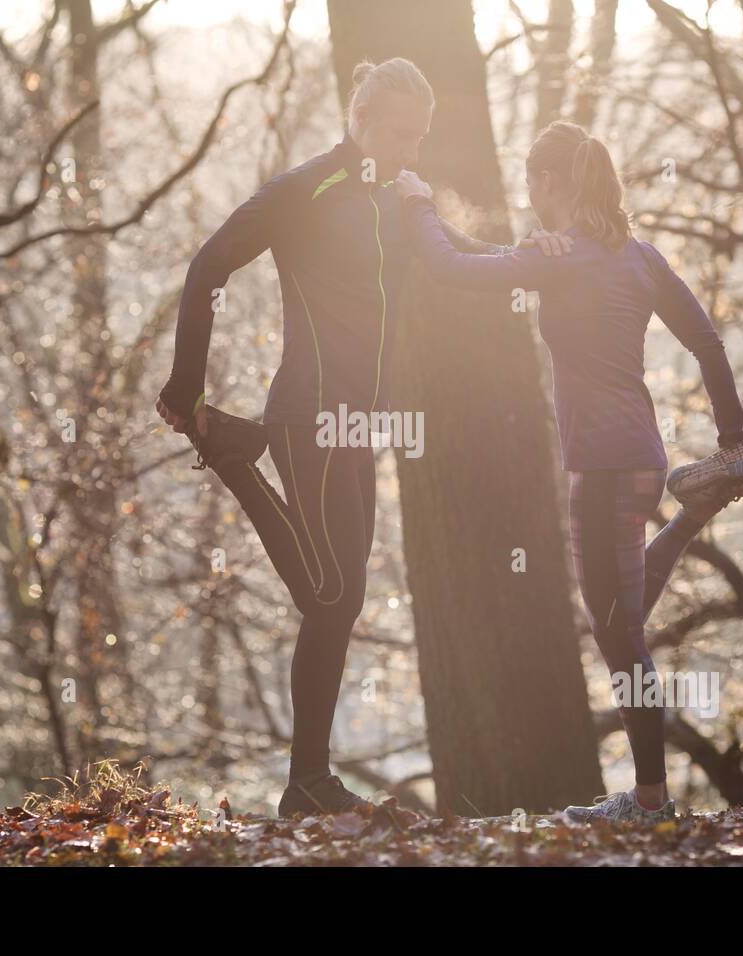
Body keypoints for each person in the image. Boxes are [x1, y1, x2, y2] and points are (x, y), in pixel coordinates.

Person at [156, 58, 567, 817]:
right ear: (363, 116)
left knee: (338, 603)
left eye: (422, 137)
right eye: (403, 132)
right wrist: (187, 385)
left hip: (361, 421)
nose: (413, 149)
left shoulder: (397, 203)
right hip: (309, 409)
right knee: (331, 592)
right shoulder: (307, 189)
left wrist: (531, 257)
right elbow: (209, 262)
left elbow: (454, 258)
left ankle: (308, 782)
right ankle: (237, 460)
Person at [394, 120, 743, 824]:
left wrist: (417, 202)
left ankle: (651, 800)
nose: (530, 197)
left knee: (619, 636)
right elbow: (708, 342)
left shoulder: (560, 258)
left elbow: (449, 269)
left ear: (550, 183)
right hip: (642, 459)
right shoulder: (634, 256)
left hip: (600, 467)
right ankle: (695, 510)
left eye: (533, 183)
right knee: (619, 617)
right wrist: (730, 440)